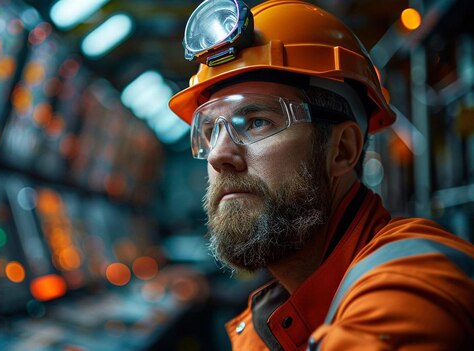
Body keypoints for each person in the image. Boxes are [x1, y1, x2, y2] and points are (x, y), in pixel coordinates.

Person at [168, 0, 474, 350]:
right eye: (210, 132)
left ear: (342, 150)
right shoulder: (271, 323)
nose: (220, 154)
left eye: (256, 122)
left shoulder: (412, 286)